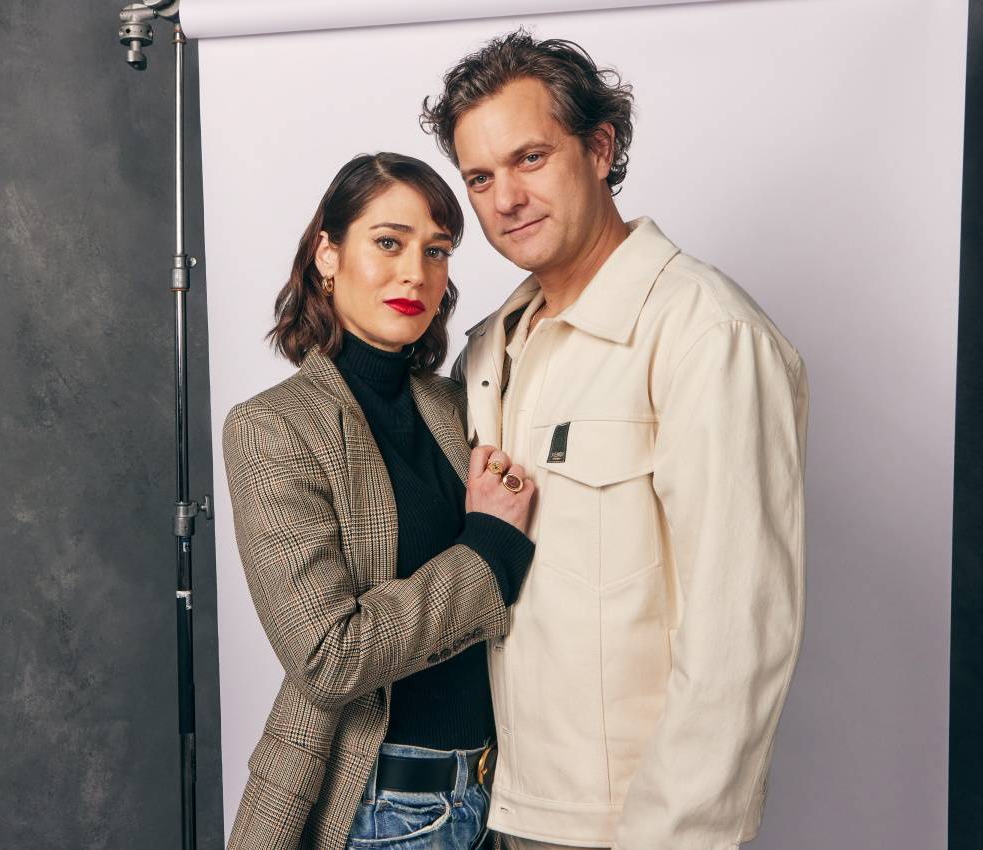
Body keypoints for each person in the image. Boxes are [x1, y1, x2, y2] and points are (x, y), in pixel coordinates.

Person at [421, 30, 809, 850]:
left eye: (530, 158)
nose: (505, 199)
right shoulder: (489, 347)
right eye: (480, 177)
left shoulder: (707, 335)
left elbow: (739, 631)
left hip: (623, 827)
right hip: (495, 806)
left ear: (600, 148)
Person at [222, 152, 537, 850]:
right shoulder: (273, 427)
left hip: (504, 797)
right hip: (383, 804)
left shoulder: (462, 406)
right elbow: (328, 656)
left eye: (437, 251)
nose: (414, 273)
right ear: (326, 254)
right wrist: (486, 550)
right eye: (388, 242)